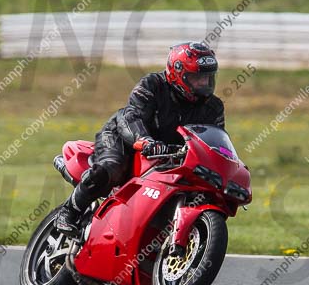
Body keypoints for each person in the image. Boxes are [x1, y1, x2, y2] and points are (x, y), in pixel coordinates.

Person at [55, 41, 225, 236]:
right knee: (111, 167)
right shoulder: (152, 85)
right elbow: (132, 116)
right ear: (178, 73)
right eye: (197, 78)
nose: (204, 83)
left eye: (207, 77)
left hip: (168, 155)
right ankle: (68, 213)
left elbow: (214, 142)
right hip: (123, 137)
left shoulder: (214, 107)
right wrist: (145, 140)